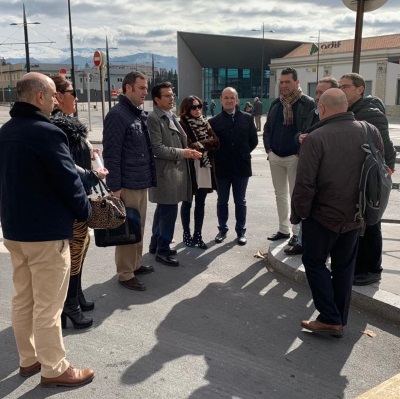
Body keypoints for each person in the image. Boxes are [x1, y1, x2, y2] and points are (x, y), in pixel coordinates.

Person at [0, 72, 94, 387]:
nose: (56, 100)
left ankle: (28, 360)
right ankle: (54, 368)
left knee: (24, 297)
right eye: (53, 95)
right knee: (49, 304)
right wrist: (87, 212)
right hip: (46, 233)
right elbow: (69, 182)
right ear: (40, 97)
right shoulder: (47, 133)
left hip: (15, 230)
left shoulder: (5, 131)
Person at [291, 88, 383, 337]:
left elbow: (305, 184)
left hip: (322, 216)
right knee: (343, 267)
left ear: (321, 109)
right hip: (356, 215)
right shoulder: (369, 130)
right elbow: (381, 167)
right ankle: (339, 318)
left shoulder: (316, 137)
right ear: (346, 106)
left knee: (314, 262)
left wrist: (299, 214)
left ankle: (330, 318)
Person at [50, 74, 108, 329]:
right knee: (74, 253)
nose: (77, 98)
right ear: (59, 96)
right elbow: (66, 166)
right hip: (71, 200)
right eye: (73, 93)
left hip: (79, 196)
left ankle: (76, 296)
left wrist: (91, 152)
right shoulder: (58, 127)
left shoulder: (68, 124)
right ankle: (69, 305)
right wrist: (92, 172)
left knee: (80, 250)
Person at [339, 73, 396, 286]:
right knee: (358, 222)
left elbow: (386, 148)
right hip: (355, 176)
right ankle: (358, 266)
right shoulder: (349, 111)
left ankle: (373, 269)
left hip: (371, 177)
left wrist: (385, 173)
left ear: (359, 89)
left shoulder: (370, 114)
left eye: (346, 86)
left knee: (372, 223)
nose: (342, 89)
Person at [103, 72, 157, 291]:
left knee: (138, 226)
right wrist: (115, 188)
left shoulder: (136, 113)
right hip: (126, 184)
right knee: (127, 229)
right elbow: (112, 154)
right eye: (141, 88)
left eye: (146, 88)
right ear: (128, 88)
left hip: (139, 180)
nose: (146, 92)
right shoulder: (118, 115)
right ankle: (125, 273)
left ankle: (135, 264)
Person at [148, 82, 202, 266]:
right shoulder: (154, 118)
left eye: (172, 94)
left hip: (172, 173)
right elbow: (157, 148)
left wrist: (189, 151)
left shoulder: (169, 115)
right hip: (165, 174)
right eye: (167, 95)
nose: (172, 98)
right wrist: (183, 153)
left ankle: (156, 245)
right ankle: (162, 251)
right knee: (168, 212)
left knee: (163, 210)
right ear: (157, 99)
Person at [284, 77, 339, 256]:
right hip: (308, 165)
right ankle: (301, 241)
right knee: (304, 201)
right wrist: (300, 137)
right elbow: (300, 131)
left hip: (327, 171)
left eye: (321, 93)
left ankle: (324, 248)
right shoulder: (313, 111)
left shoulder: (339, 117)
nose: (317, 96)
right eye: (316, 92)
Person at [263, 67, 315, 246]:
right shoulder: (276, 103)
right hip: (275, 156)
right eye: (282, 82)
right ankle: (283, 229)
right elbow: (268, 128)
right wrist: (269, 150)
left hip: (295, 157)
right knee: (280, 195)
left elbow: (309, 130)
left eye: (288, 82)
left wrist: (298, 153)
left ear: (297, 82)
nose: (284, 86)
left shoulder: (307, 103)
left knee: (295, 196)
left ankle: (296, 233)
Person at [209, 87, 258, 245]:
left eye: (232, 98)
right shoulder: (213, 122)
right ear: (221, 100)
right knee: (222, 201)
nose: (229, 100)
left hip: (241, 167)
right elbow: (212, 145)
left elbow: (253, 141)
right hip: (222, 168)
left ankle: (240, 232)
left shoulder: (247, 118)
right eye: (226, 97)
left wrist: (241, 153)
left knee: (240, 201)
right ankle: (222, 230)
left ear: (237, 100)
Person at [178, 95, 220, 249]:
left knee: (200, 203)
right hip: (190, 167)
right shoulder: (182, 124)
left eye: (199, 106)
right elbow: (187, 144)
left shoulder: (205, 122)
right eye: (193, 107)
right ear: (186, 109)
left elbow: (216, 142)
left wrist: (199, 144)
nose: (197, 110)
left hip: (204, 166)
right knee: (187, 202)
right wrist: (201, 145)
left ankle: (198, 234)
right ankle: (186, 233)